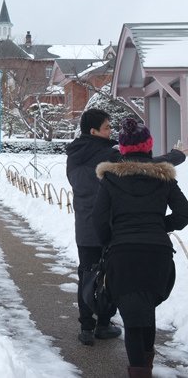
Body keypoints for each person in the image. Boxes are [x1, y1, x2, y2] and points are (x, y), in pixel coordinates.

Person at [66, 108, 186, 346]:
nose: (111, 130)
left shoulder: (75, 153)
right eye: (107, 127)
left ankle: (86, 327)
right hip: (111, 228)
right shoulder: (107, 155)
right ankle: (102, 324)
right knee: (108, 276)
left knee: (88, 274)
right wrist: (177, 155)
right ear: (94, 131)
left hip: (85, 226)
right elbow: (146, 163)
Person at [93, 117, 188, 377]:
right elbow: (184, 213)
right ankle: (145, 366)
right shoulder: (163, 177)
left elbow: (99, 220)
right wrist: (160, 226)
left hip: (123, 254)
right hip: (157, 255)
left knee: (132, 312)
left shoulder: (111, 178)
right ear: (148, 146)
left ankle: (140, 371)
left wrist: (111, 240)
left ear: (122, 150)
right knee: (146, 306)